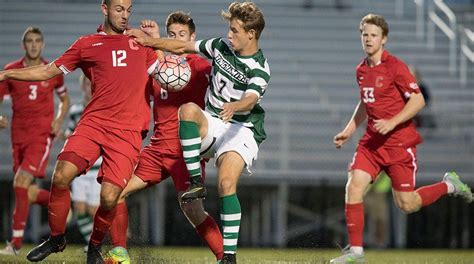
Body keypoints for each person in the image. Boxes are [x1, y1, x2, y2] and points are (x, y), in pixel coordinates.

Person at [0, 0, 158, 262]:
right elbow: (48, 71)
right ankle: (56, 238)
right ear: (105, 9)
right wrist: (7, 76)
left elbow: (167, 75)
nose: (125, 16)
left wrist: (157, 41)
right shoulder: (87, 44)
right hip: (94, 124)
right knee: (61, 176)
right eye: (119, 9)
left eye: (129, 10)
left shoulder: (141, 42)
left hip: (127, 131)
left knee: (109, 198)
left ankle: (95, 246)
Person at [126, 2, 270, 262]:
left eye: (235, 30)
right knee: (189, 109)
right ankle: (195, 182)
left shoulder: (260, 68)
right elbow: (180, 47)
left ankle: (228, 257)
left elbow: (251, 98)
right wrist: (150, 42)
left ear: (251, 33)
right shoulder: (219, 46)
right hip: (214, 121)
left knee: (227, 184)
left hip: (242, 129)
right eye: (229, 28)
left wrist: (235, 106)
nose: (229, 34)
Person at [330, 14, 473, 263]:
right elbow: (366, 103)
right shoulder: (361, 70)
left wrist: (393, 122)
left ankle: (449, 184)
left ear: (384, 39)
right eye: (365, 34)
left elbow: (418, 101)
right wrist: (350, 129)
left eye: (374, 35)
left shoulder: (396, 67)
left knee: (407, 204)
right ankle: (356, 253)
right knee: (353, 186)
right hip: (372, 144)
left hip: (399, 145)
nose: (368, 39)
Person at [107, 12, 224, 262]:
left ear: (192, 38)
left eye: (182, 35)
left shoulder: (201, 66)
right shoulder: (157, 67)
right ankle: (120, 253)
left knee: (192, 209)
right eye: (172, 35)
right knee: (114, 193)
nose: (177, 40)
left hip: (185, 154)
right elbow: (150, 79)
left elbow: (201, 80)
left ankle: (225, 257)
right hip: (157, 151)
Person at [0, 26, 70, 256]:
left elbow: (65, 100)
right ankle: (59, 204)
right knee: (25, 192)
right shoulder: (11, 71)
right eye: (29, 41)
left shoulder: (51, 70)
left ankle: (15, 245)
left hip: (41, 137)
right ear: (24, 45)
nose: (33, 45)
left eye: (37, 41)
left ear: (42, 44)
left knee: (19, 182)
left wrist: (59, 119)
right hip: (18, 137)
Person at [61, 73, 101, 249]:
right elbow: (70, 131)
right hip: (80, 168)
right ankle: (90, 242)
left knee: (94, 210)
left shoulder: (102, 108)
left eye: (91, 83)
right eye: (85, 83)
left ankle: (105, 240)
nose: (88, 87)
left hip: (98, 167)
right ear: (81, 86)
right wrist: (65, 135)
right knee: (79, 208)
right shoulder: (75, 110)